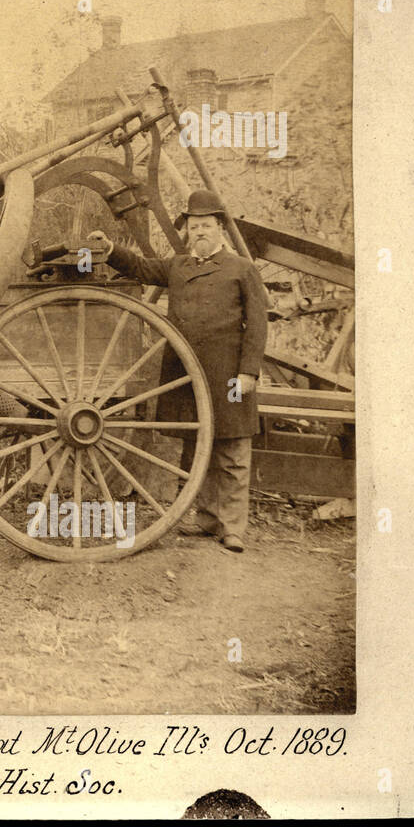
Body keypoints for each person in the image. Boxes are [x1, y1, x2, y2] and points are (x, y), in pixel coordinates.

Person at [88, 188, 268, 553]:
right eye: (194, 226)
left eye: (206, 225)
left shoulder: (241, 269)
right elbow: (141, 268)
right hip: (187, 373)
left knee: (232, 450)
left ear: (220, 228)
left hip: (228, 373)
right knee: (195, 446)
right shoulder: (179, 266)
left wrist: (249, 372)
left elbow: (259, 324)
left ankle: (232, 527)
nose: (199, 232)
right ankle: (205, 518)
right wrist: (110, 250)